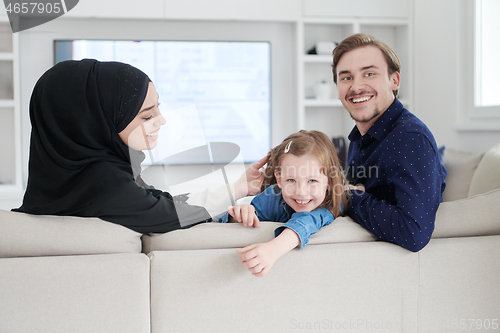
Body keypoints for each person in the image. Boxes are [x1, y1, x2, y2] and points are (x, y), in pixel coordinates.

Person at [13, 59, 267, 233]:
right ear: (96, 122)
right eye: (146, 115)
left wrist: (239, 187)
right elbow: (172, 213)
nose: (161, 120)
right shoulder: (105, 186)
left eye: (159, 107)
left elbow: (161, 202)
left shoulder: (65, 184)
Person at [331, 33, 447, 252]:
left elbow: (414, 233)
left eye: (369, 73)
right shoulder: (362, 136)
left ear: (394, 81)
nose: (356, 87)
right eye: (346, 78)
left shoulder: (410, 138)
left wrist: (348, 195)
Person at [219, 130, 348, 276]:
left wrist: (273, 249)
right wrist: (238, 215)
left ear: (330, 182)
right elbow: (222, 224)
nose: (301, 192)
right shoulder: (273, 196)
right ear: (279, 179)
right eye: (291, 180)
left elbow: (307, 220)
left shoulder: (332, 203)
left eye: (312, 181)